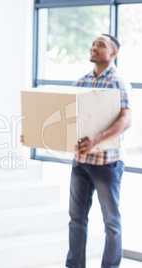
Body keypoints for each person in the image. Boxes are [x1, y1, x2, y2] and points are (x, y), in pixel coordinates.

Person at [66, 34, 132, 268]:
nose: (94, 47)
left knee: (111, 222)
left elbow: (125, 121)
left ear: (114, 53)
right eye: (93, 44)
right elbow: (69, 119)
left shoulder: (118, 82)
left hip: (107, 164)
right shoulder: (82, 81)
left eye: (101, 45)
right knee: (76, 220)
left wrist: (97, 139)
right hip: (81, 162)